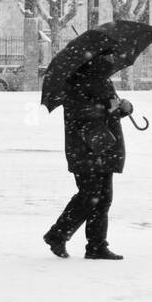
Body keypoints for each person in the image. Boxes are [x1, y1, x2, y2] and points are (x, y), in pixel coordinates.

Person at [43, 48, 135, 260]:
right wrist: (107, 110)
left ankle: (96, 245)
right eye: (108, 57)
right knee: (89, 196)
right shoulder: (78, 82)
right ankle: (58, 234)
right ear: (96, 60)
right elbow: (80, 114)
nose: (112, 60)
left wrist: (123, 108)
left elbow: (109, 107)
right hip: (86, 148)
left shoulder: (102, 80)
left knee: (102, 199)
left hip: (103, 146)